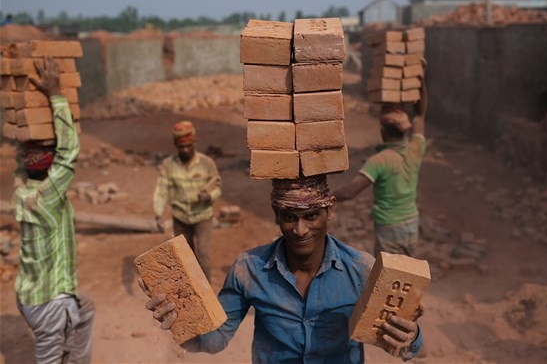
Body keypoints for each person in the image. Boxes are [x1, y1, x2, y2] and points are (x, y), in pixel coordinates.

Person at [141, 175, 424, 363]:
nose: (300, 230)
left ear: (330, 211)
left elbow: (407, 348)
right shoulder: (248, 269)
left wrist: (410, 337)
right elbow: (216, 340)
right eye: (290, 217)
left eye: (311, 216)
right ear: (276, 214)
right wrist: (183, 321)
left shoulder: (362, 270)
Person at [13, 56, 95, 364]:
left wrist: (23, 120)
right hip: (49, 304)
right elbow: (69, 151)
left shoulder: (22, 191)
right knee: (49, 356)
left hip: (29, 297)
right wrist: (56, 96)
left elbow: (25, 157)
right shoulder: (48, 195)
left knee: (86, 310)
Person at [333, 77, 428, 258]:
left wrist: (326, 197)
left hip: (389, 228)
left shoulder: (379, 160)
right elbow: (420, 115)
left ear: (383, 131)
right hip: (411, 225)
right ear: (405, 131)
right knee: (408, 272)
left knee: (388, 278)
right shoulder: (415, 149)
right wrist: (421, 86)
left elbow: (350, 192)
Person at [153, 120, 221, 281]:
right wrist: (158, 213)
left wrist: (209, 196)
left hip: (202, 216)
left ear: (194, 143)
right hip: (180, 217)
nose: (185, 150)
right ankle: (190, 291)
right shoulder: (168, 165)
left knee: (203, 254)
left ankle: (207, 294)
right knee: (185, 255)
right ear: (175, 145)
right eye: (181, 147)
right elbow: (162, 190)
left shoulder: (206, 163)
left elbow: (217, 186)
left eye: (188, 146)